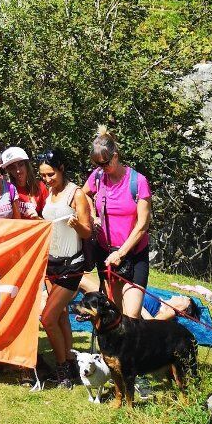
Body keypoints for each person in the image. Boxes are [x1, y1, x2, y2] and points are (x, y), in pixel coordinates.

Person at [83, 127, 152, 319]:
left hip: (133, 254)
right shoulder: (97, 176)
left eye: (104, 163)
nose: (101, 168)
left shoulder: (138, 182)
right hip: (105, 253)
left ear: (115, 156)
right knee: (113, 313)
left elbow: (143, 225)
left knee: (131, 315)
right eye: (97, 164)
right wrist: (93, 216)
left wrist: (121, 253)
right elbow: (83, 195)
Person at [38, 148, 93, 389]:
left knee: (48, 318)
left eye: (50, 174)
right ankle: (69, 361)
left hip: (72, 265)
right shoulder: (49, 193)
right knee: (60, 317)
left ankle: (62, 372)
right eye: (43, 176)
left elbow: (87, 231)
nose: (47, 179)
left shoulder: (76, 194)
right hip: (51, 263)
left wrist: (76, 224)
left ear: (61, 169)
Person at [1, 146, 46, 219]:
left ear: (27, 165)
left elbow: (48, 220)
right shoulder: (6, 190)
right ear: (8, 171)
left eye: (21, 165)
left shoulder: (40, 187)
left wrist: (38, 218)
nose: (18, 171)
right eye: (12, 168)